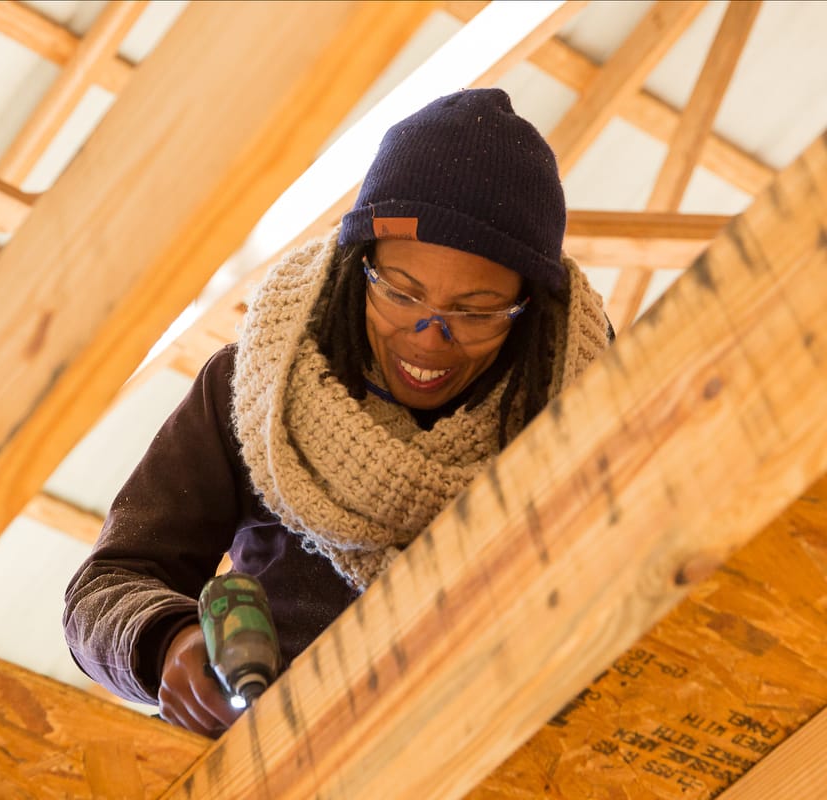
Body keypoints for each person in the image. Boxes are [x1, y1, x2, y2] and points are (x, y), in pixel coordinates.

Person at [63, 88, 613, 737]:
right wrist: (168, 642)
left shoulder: (593, 422)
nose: (429, 336)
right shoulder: (249, 390)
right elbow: (110, 583)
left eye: (476, 310)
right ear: (359, 266)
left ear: (530, 311)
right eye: (401, 293)